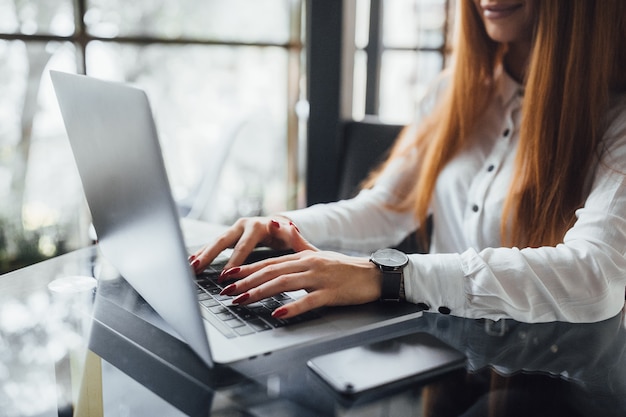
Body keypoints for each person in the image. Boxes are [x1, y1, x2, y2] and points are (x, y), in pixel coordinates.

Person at [189, 0, 626, 323]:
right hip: (440, 349)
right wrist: (283, 227)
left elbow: (597, 276)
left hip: (549, 376)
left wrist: (391, 277)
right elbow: (389, 206)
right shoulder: (453, 93)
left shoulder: (616, 119)